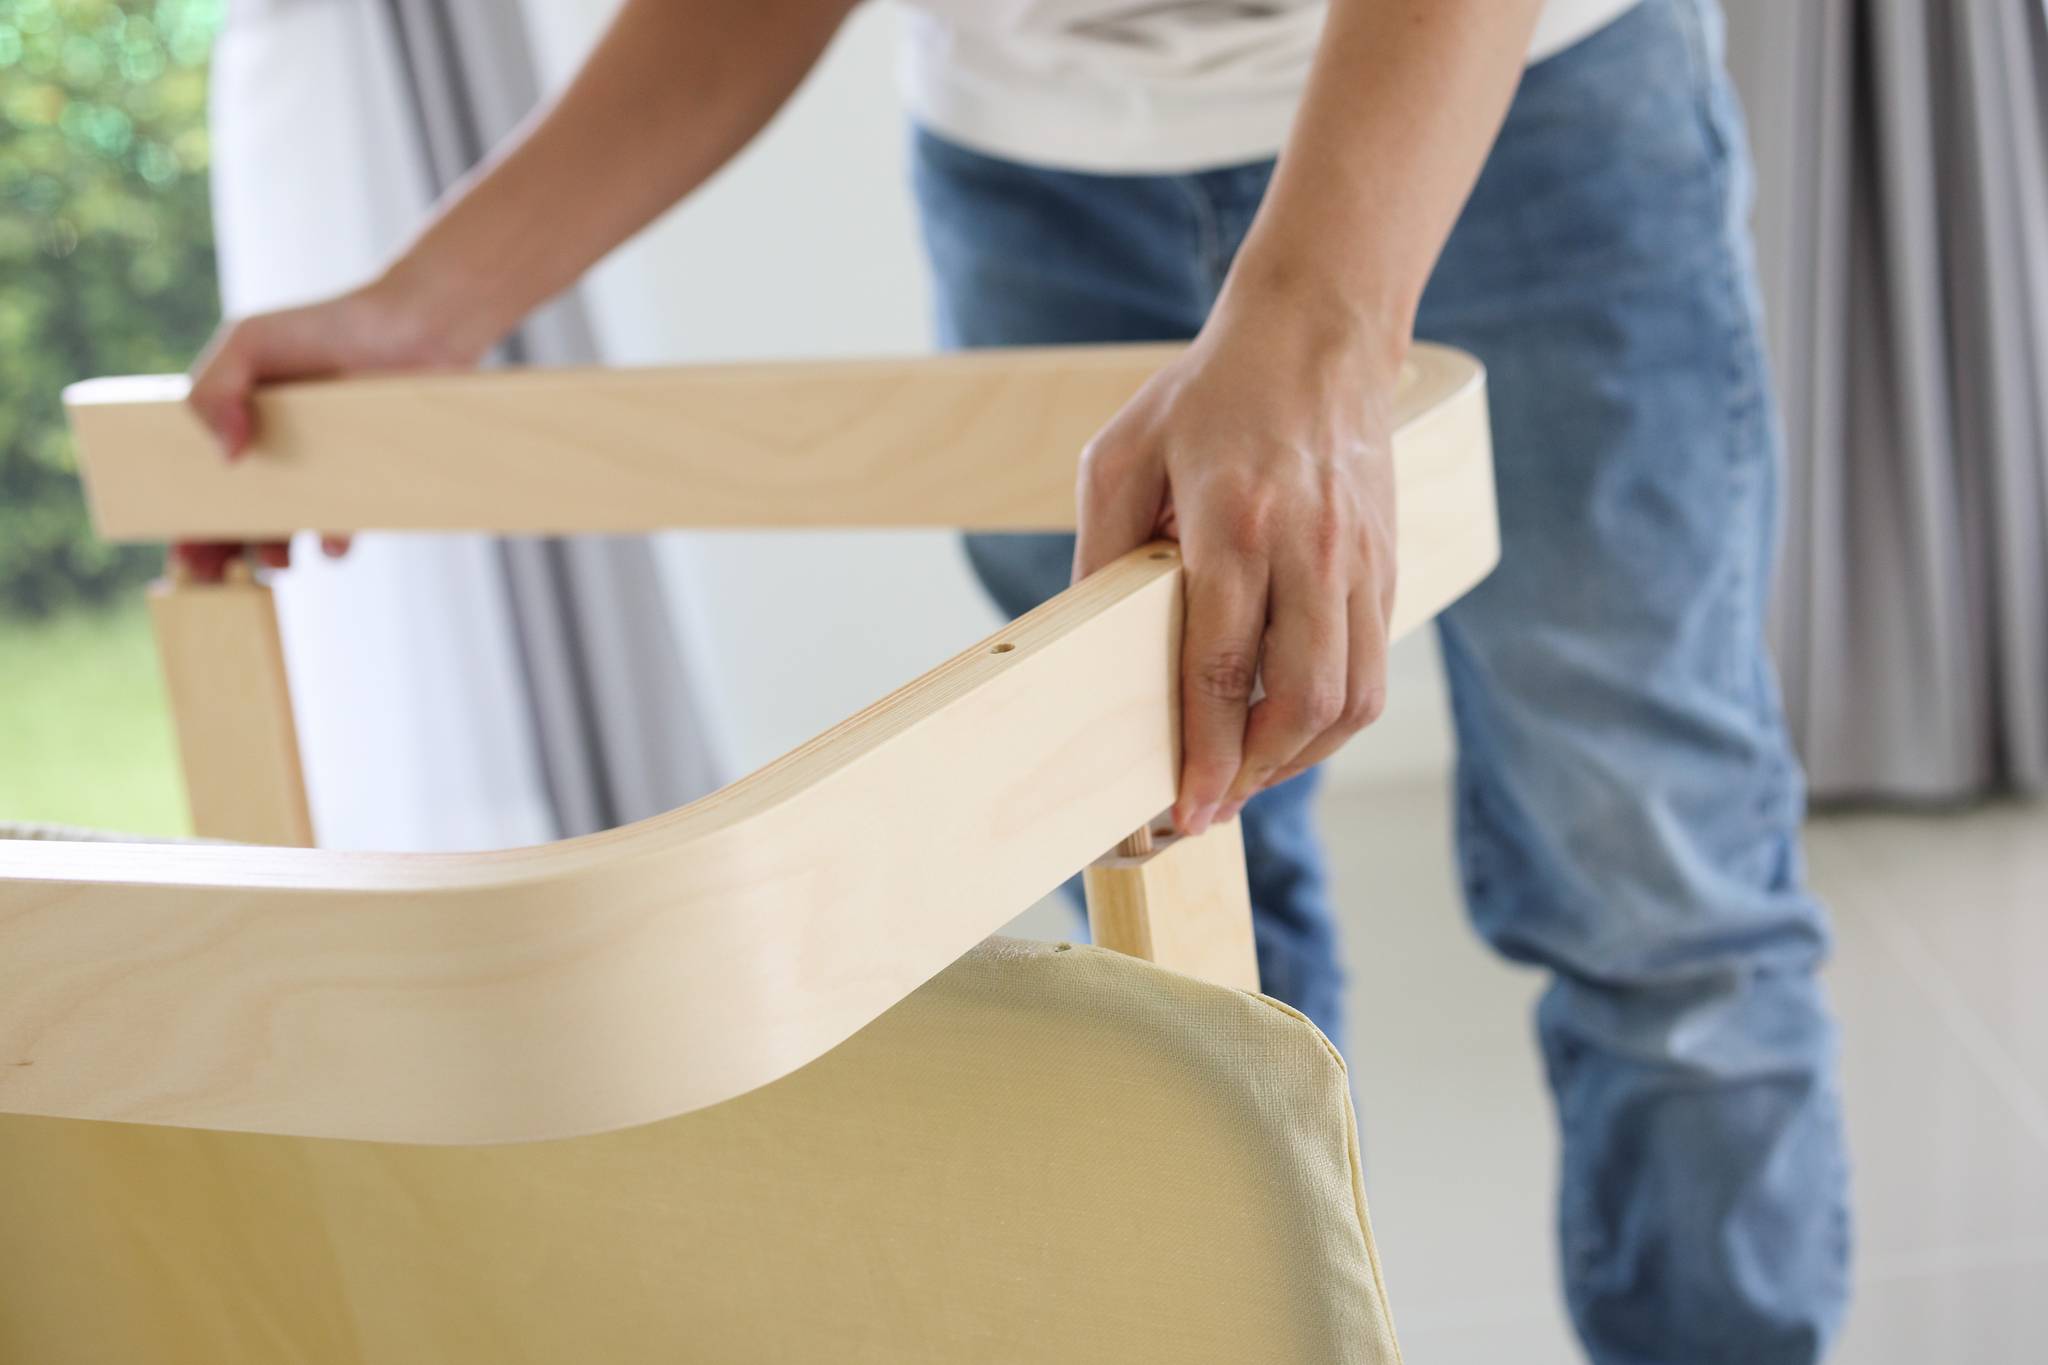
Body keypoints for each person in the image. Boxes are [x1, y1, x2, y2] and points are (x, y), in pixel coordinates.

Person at [182, 0, 1850, 1358]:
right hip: (1041, 171)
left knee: (1660, 890)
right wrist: (431, 300)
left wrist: (1322, 307)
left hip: (1523, 111)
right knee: (1181, 932)